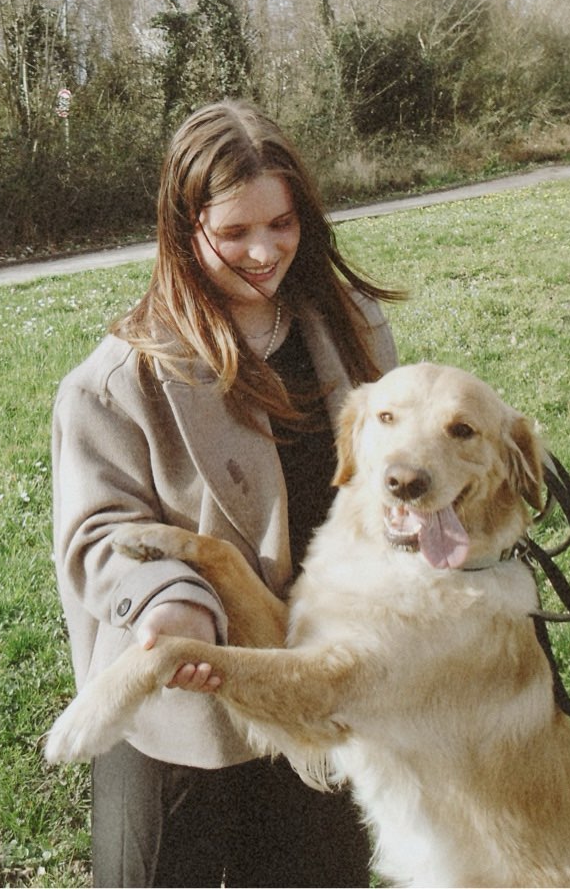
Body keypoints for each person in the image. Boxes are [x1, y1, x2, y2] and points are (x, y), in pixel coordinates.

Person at [50, 99, 403, 888]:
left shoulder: (352, 327)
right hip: (186, 701)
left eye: (280, 224)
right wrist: (169, 602)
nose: (264, 251)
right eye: (233, 232)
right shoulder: (117, 380)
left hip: (320, 675)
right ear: (183, 228)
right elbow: (99, 534)